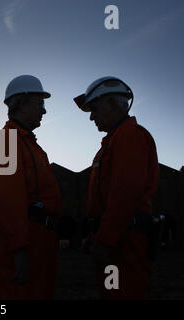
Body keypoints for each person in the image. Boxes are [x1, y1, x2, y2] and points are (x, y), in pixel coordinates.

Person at [74, 76, 159, 299]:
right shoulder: (115, 141)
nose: (91, 117)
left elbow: (125, 194)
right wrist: (96, 237)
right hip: (115, 241)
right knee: (111, 292)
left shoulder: (130, 137)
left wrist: (105, 240)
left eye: (94, 108)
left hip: (122, 244)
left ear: (113, 103)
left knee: (119, 293)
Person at [0, 75, 62, 299]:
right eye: (40, 104)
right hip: (25, 244)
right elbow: (6, 200)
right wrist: (19, 249)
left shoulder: (29, 144)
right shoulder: (5, 141)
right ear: (23, 102)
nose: (44, 111)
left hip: (40, 242)